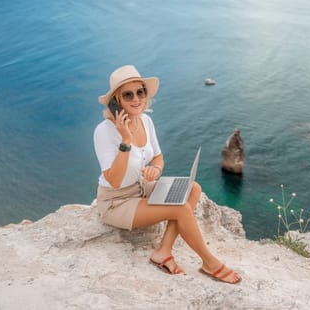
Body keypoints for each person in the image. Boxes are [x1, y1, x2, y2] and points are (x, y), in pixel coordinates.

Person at [93, 65, 242, 284]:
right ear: (116, 101)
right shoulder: (104, 131)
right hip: (117, 201)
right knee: (179, 208)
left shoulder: (146, 121)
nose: (136, 99)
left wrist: (156, 169)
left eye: (140, 92)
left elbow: (158, 157)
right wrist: (125, 141)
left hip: (142, 188)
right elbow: (114, 180)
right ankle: (210, 263)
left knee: (193, 189)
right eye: (128, 94)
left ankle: (163, 251)